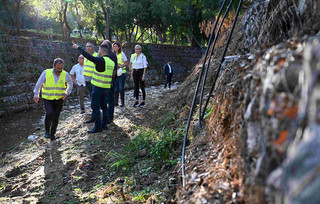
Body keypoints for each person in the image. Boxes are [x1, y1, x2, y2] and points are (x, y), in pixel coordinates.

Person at [72, 43, 115, 133]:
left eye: (99, 50)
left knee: (95, 107)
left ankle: (98, 126)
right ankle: (104, 125)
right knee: (104, 107)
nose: (98, 52)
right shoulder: (111, 62)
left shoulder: (101, 60)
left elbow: (89, 57)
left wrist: (79, 48)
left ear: (102, 51)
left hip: (98, 87)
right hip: (106, 88)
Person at [33, 58, 73, 140]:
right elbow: (39, 84)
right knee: (49, 113)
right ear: (53, 66)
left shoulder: (65, 74)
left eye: (61, 68)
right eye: (58, 68)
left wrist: (66, 93)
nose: (60, 70)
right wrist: (36, 94)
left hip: (59, 99)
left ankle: (52, 135)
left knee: (55, 117)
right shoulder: (46, 72)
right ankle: (47, 131)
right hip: (47, 99)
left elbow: (70, 83)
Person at [101, 40, 118, 124]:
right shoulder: (103, 55)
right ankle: (105, 116)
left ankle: (110, 118)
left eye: (104, 45)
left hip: (110, 81)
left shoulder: (112, 55)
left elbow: (114, 70)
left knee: (110, 100)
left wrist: (111, 81)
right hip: (103, 81)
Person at [83, 42, 98, 123]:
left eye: (89, 46)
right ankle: (94, 113)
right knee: (92, 98)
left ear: (93, 48)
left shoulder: (96, 56)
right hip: (87, 80)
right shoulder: (85, 57)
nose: (88, 48)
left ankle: (95, 116)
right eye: (87, 46)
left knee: (95, 98)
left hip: (94, 80)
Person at [112, 42, 128, 107]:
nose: (115, 47)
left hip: (122, 73)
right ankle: (116, 102)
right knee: (115, 89)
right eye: (114, 46)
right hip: (115, 74)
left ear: (119, 47)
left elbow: (126, 62)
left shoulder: (122, 54)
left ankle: (122, 102)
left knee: (121, 88)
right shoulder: (112, 54)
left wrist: (121, 66)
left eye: (116, 46)